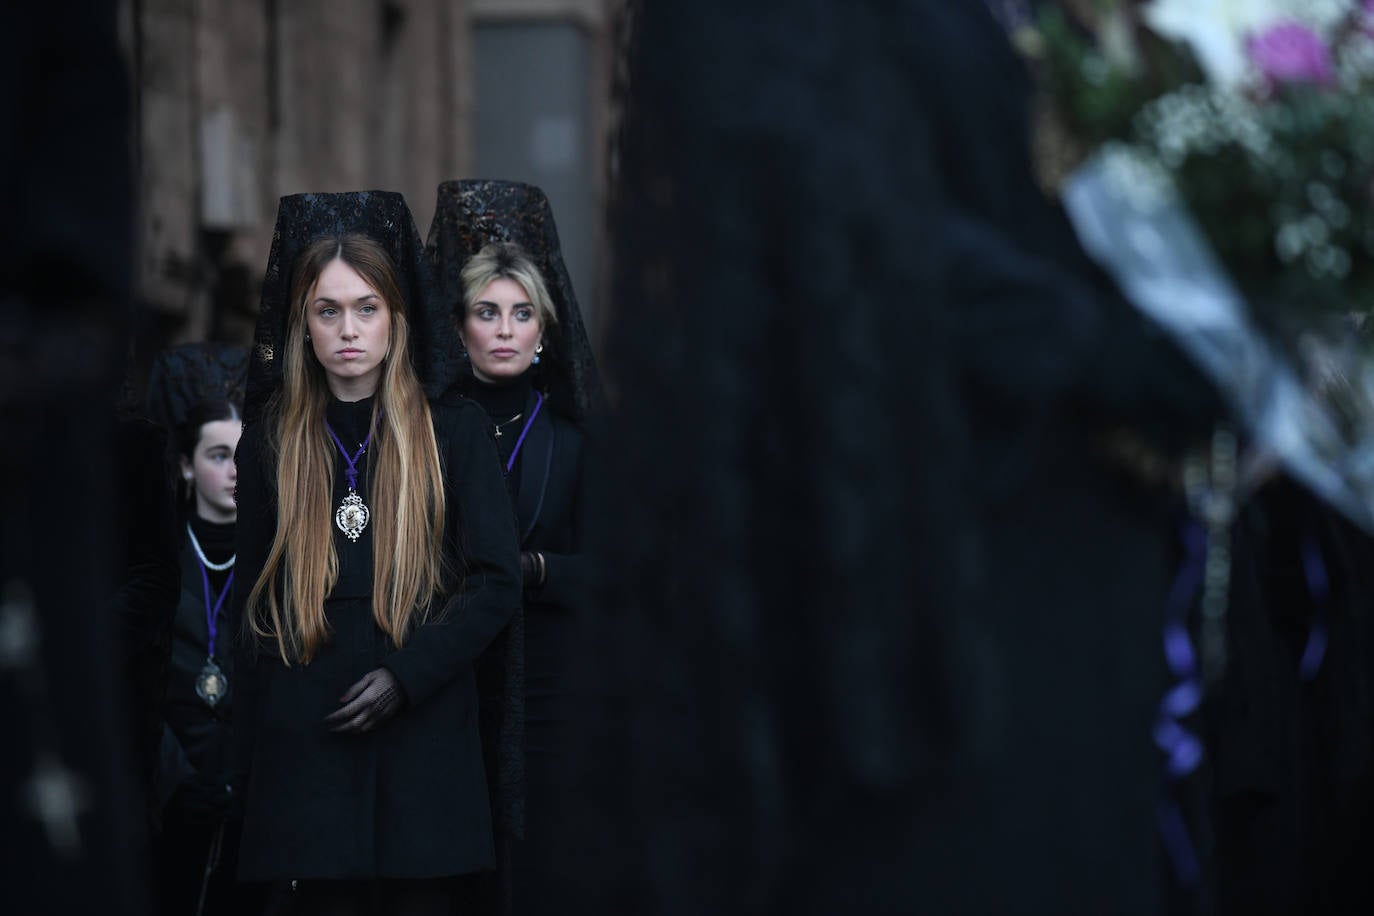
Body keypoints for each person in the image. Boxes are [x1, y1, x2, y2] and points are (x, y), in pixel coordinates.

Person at [231, 191, 522, 915]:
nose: (348, 330)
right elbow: (249, 597)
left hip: (421, 740)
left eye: (366, 308)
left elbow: (495, 580)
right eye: (328, 311)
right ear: (303, 324)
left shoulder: (452, 432)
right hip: (309, 743)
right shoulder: (271, 438)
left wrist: (407, 675)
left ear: (396, 317)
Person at [427, 178, 600, 914]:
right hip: (447, 677)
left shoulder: (574, 437)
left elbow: (611, 568)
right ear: (459, 326)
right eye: (486, 312)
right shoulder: (426, 431)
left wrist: (526, 569)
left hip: (548, 682)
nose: (504, 328)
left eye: (521, 314)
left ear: (542, 332)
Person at [153, 396, 264, 915]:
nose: (235, 470)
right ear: (185, 466)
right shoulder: (154, 562)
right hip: (167, 801)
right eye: (219, 455)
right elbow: (126, 683)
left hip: (257, 802)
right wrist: (174, 779)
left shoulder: (278, 559)